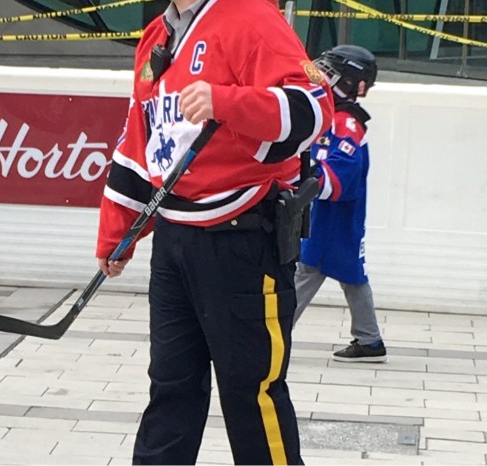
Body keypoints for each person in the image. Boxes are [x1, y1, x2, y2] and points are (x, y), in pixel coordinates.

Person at [96, 0, 333, 463]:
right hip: (173, 242)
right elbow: (140, 142)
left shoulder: (250, 17)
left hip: (241, 240)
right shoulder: (155, 37)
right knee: (171, 387)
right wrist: (117, 232)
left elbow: (314, 107)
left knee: (251, 393)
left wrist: (227, 101)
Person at [293, 45, 386, 363]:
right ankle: (370, 340)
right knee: (350, 272)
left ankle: (272, 332)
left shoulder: (346, 122)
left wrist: (308, 186)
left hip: (335, 213)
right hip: (336, 211)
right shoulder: (332, 115)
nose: (320, 77)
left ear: (347, 81)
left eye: (328, 73)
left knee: (309, 266)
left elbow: (343, 169)